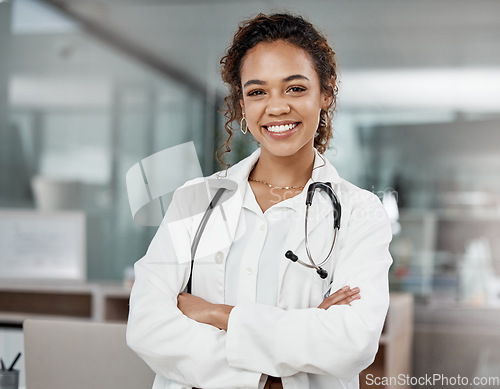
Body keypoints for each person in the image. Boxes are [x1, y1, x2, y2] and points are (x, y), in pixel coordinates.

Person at [127, 12, 392, 389]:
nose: (276, 107)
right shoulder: (196, 200)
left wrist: (219, 314)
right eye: (257, 92)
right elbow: (147, 327)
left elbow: (350, 342)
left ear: (326, 91)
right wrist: (268, 376)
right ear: (242, 106)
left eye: (295, 88)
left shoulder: (360, 212)